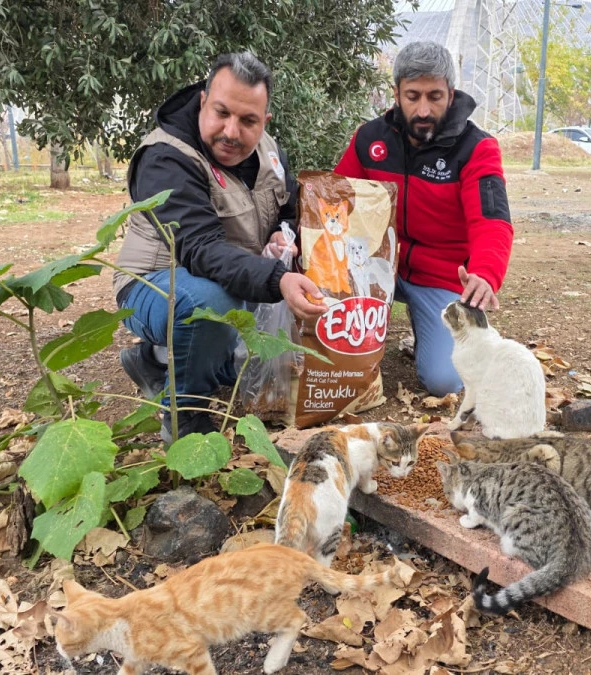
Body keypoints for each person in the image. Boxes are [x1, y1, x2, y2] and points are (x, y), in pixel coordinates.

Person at [113, 51, 326, 442]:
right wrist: (278, 280)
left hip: (232, 280)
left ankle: (154, 360)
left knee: (257, 361)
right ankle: (186, 416)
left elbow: (288, 204)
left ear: (265, 121)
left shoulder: (268, 151)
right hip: (155, 285)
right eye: (221, 113)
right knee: (211, 307)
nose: (231, 132)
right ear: (202, 102)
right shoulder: (165, 158)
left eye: (248, 121)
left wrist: (282, 233)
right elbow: (200, 248)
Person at [334, 41, 513, 397]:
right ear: (396, 93)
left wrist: (486, 272)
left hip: (440, 276)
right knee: (336, 348)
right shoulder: (369, 139)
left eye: (435, 96)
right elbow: (335, 199)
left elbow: (491, 220)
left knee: (443, 382)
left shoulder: (477, 148)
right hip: (376, 266)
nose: (424, 109)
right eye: (413, 96)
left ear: (451, 92)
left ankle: (437, 324)